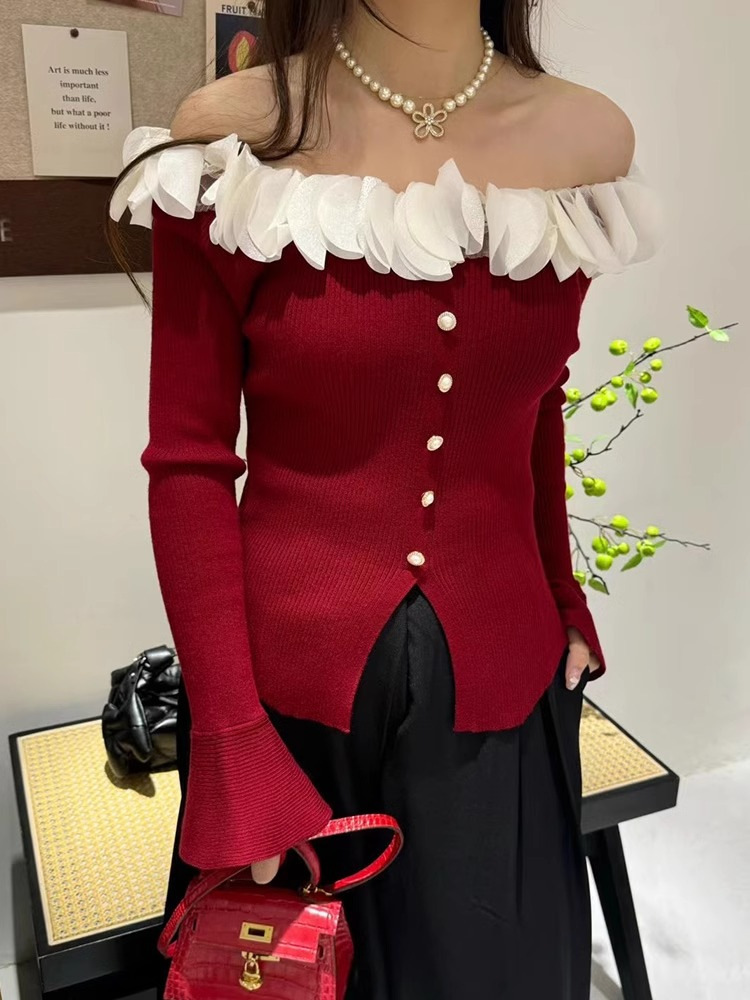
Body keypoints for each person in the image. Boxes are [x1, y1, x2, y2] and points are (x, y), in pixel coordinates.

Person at [106, 1, 663, 996]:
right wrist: (230, 739)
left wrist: (561, 590)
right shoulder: (235, 138)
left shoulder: (587, 139)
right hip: (287, 712)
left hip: (502, 688)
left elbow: (537, 402)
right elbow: (189, 460)